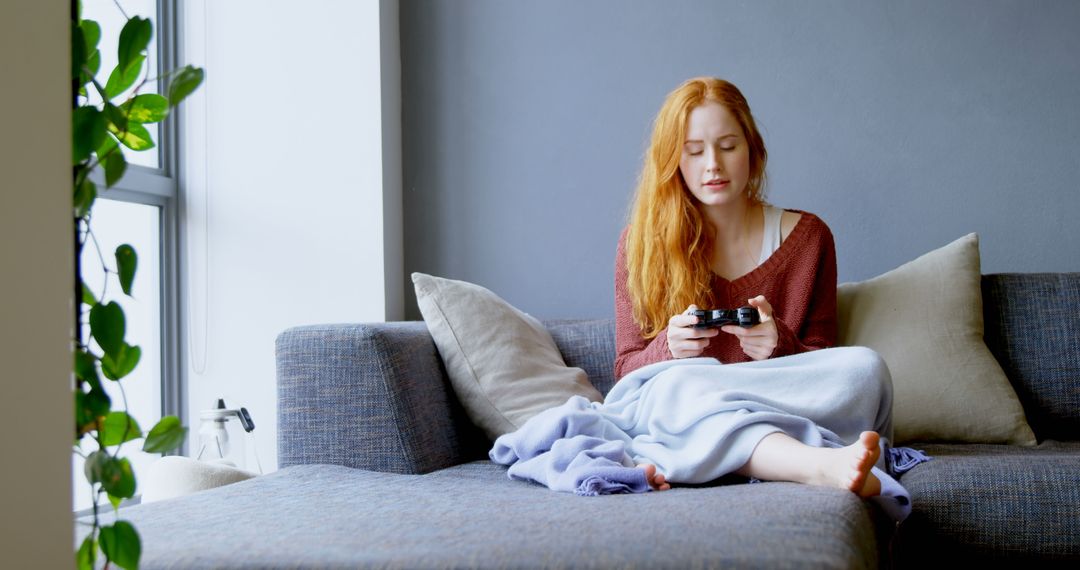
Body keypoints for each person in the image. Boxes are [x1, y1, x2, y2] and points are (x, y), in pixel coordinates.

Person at [614, 77, 885, 496]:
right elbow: (625, 374)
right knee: (679, 384)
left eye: (728, 146)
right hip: (687, 400)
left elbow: (821, 360)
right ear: (672, 161)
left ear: (753, 150)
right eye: (694, 151)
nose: (713, 166)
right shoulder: (640, 245)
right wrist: (669, 347)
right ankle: (816, 465)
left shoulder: (809, 236)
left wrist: (778, 345)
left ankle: (719, 449)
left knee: (867, 369)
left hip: (771, 398)